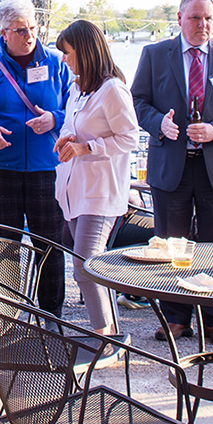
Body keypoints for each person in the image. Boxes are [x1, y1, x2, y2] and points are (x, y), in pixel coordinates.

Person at [132, 0, 213, 345]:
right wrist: (159, 124)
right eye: (195, 18)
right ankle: (176, 317)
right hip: (171, 165)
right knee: (171, 245)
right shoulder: (155, 55)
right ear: (180, 19)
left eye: (208, 19)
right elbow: (137, 101)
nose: (202, 25)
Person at [0, 0, 72, 316]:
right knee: (4, 245)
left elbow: (75, 110)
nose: (29, 35)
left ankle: (51, 314)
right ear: (4, 32)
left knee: (49, 245)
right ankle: (6, 312)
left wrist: (54, 119)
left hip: (46, 168)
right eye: (20, 30)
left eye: (33, 27)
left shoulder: (56, 64)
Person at [53, 19, 141, 336]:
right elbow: (70, 126)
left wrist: (87, 147)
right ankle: (108, 330)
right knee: (88, 265)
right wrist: (66, 140)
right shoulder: (78, 89)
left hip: (100, 193)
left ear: (85, 51)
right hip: (75, 189)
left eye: (67, 52)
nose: (64, 58)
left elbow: (130, 138)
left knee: (85, 265)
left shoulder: (113, 90)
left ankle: (104, 333)